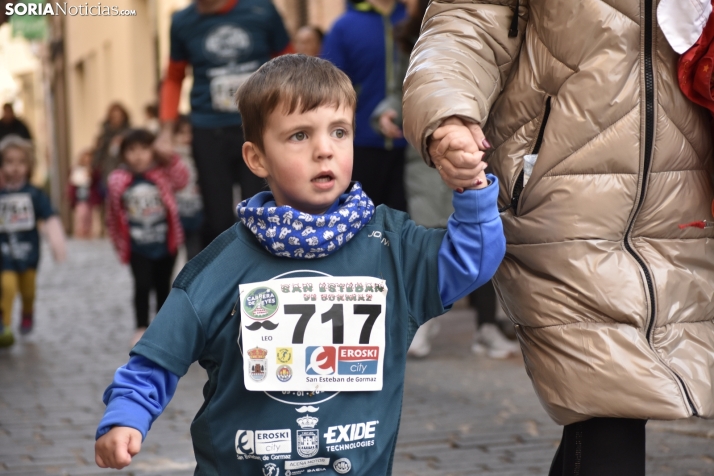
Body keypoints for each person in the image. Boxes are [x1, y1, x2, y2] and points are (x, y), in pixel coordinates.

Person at [93, 55, 505, 474]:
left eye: (339, 132)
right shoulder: (221, 264)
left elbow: (471, 262)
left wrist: (473, 190)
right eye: (299, 136)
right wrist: (127, 414)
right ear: (256, 159)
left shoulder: (392, 247)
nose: (324, 149)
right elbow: (158, 355)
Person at [403, 1, 714, 474]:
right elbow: (467, 21)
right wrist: (447, 111)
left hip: (692, 198)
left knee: (611, 416)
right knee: (608, 409)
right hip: (568, 196)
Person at [370, 0, 518, 359]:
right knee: (428, 233)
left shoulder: (498, 21)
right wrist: (386, 112)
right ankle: (419, 322)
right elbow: (399, 89)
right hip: (427, 157)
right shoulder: (413, 37)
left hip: (479, 149)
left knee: (484, 234)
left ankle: (487, 325)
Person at [155, 0, 293, 248]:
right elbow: (174, 77)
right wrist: (166, 132)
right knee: (217, 219)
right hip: (209, 129)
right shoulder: (182, 21)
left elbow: (290, 62)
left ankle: (263, 273)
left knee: (262, 210)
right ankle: (225, 278)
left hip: (258, 127)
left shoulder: (262, 9)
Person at [321, 0, 408, 211]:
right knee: (361, 223)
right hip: (360, 144)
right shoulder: (344, 26)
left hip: (413, 149)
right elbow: (328, 89)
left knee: (406, 228)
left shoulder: (415, 19)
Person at [105, 129, 188, 347]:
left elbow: (183, 179)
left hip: (164, 243)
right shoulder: (118, 179)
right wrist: (118, 242)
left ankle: (162, 327)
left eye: (144, 149)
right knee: (142, 285)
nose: (138, 155)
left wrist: (169, 156)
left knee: (163, 286)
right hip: (137, 245)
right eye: (132, 150)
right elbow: (112, 213)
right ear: (123, 154)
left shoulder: (163, 173)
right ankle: (141, 327)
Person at [0, 135, 66, 347]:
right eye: (9, 162)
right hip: (4, 253)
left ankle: (28, 311)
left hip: (29, 254)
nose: (15, 168)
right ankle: (5, 327)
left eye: (21, 162)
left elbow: (49, 217)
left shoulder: (34, 194)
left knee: (28, 291)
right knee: (6, 287)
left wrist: (57, 244)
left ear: (29, 165)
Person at [173, 116, 203, 260]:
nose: (186, 137)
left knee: (196, 252)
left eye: (190, 132)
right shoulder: (169, 159)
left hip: (199, 210)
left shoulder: (203, 156)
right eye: (181, 133)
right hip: (178, 212)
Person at [93, 102, 131, 190]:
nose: (116, 120)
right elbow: (97, 155)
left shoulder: (130, 133)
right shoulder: (104, 135)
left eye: (119, 117)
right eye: (114, 117)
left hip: (126, 171)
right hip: (108, 172)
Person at [68, 148, 103, 239]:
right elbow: (72, 184)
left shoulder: (94, 170)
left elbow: (97, 180)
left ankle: (88, 232)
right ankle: (81, 231)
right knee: (81, 215)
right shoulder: (76, 169)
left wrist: (91, 173)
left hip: (90, 197)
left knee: (90, 216)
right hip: (80, 197)